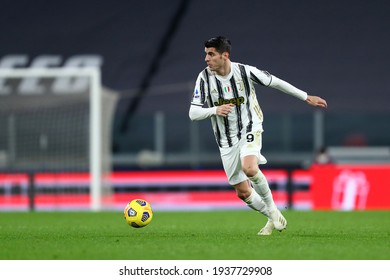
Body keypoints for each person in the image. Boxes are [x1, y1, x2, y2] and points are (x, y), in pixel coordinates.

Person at [189, 36, 327, 235]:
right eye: (205, 54)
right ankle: (273, 216)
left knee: (249, 168)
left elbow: (276, 82)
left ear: (224, 55)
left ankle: (271, 209)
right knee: (243, 192)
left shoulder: (245, 71)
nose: (206, 59)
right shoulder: (204, 78)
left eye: (211, 54)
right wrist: (214, 110)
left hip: (250, 127)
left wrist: (306, 97)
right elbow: (193, 113)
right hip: (226, 140)